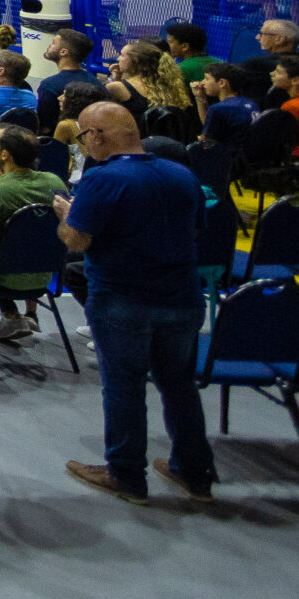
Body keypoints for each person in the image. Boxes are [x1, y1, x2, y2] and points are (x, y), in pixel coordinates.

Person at [56, 101, 216, 503]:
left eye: (83, 137)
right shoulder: (182, 174)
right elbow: (196, 228)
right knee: (179, 385)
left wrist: (67, 215)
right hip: (183, 296)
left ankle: (126, 475)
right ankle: (195, 473)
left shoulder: (101, 179)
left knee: (124, 386)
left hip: (122, 297)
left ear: (96, 136)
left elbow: (77, 240)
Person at [0, 122, 63, 339]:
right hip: (44, 275)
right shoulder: (55, 181)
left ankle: (10, 315)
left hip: (1, 277)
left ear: (4, 154)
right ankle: (29, 314)